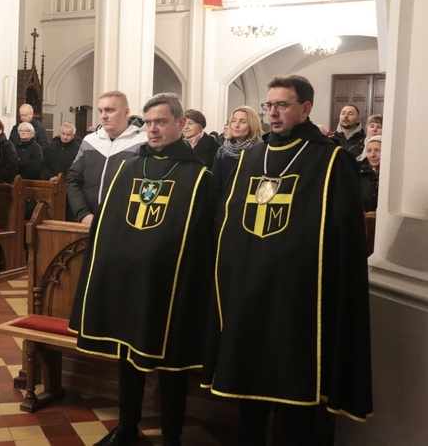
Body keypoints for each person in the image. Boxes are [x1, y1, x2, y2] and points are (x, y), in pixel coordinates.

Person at [202, 75, 373, 444]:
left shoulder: (331, 161)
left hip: (298, 297)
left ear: (305, 108)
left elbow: (342, 238)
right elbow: (230, 224)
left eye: (282, 105)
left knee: (297, 385)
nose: (273, 113)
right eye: (269, 106)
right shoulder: (251, 156)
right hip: (249, 292)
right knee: (248, 383)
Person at [69, 92, 215, 446]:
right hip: (129, 281)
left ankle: (171, 437)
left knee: (171, 364)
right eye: (148, 122)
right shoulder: (129, 169)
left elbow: (201, 241)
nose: (152, 129)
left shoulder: (199, 176)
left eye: (161, 122)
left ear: (180, 123)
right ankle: (126, 426)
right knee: (127, 354)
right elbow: (110, 226)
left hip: (171, 287)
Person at [67, 91, 147, 224]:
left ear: (126, 113)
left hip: (125, 224)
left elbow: (146, 186)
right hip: (89, 222)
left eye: (109, 110)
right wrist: (83, 214)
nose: (103, 116)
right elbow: (73, 180)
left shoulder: (142, 143)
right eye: (101, 111)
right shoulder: (90, 141)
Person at [211, 105, 263, 195]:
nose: (236, 125)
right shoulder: (223, 151)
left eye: (243, 122)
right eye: (234, 121)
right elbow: (215, 186)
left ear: (252, 125)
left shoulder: (260, 151)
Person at [360, 135, 381, 213]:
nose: (372, 155)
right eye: (369, 151)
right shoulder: (359, 173)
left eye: (377, 150)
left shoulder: (392, 175)